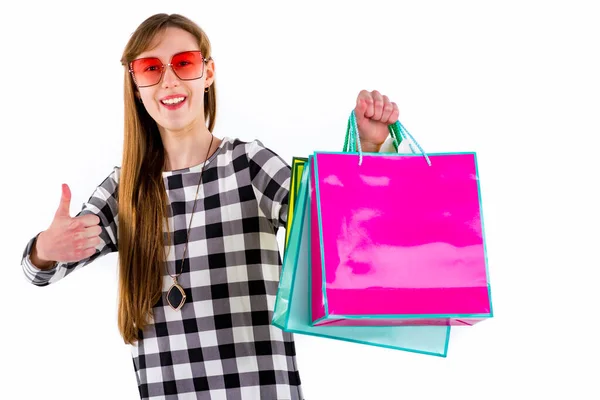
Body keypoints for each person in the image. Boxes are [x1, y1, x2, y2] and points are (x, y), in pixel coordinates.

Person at [21, 13, 401, 400]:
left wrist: (373, 154)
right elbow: (37, 272)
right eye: (150, 68)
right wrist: (46, 250)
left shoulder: (248, 164)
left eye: (183, 63)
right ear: (136, 86)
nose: (169, 80)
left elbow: (339, 231)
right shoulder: (127, 189)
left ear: (208, 72)